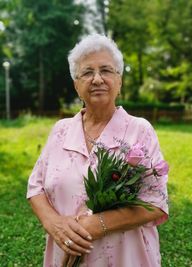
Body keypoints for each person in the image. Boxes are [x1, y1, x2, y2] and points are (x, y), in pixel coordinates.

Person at [27, 34, 168, 267]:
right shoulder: (61, 130)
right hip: (64, 255)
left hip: (125, 258)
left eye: (106, 70)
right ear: (76, 85)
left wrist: (97, 224)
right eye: (87, 72)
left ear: (119, 81)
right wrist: (53, 222)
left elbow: (155, 202)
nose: (97, 79)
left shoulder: (139, 130)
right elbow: (35, 187)